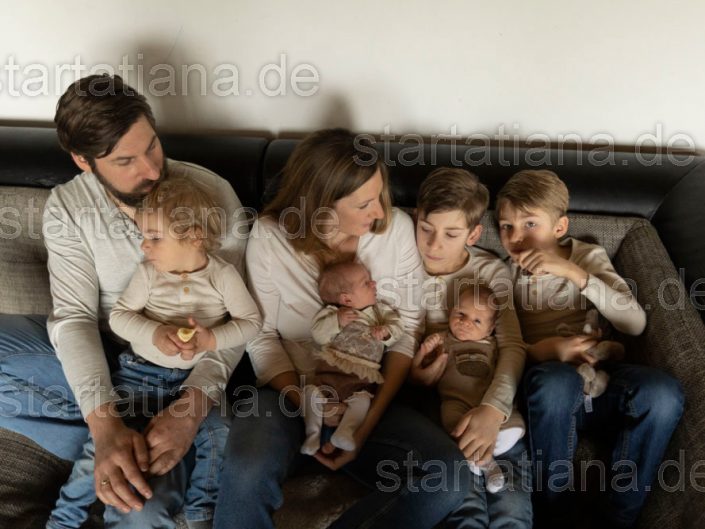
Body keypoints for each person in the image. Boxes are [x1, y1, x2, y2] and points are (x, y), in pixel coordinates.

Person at [0, 74, 248, 528]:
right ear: (83, 161)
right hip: (107, 353)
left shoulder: (211, 195)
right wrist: (104, 424)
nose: (151, 170)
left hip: (180, 374)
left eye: (152, 146)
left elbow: (237, 321)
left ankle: (120, 447)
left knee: (142, 511)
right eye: (126, 160)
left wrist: (190, 411)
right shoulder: (69, 207)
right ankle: (107, 438)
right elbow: (74, 318)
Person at [214, 129, 471, 529]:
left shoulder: (394, 232)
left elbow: (405, 332)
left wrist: (364, 424)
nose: (379, 212)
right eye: (364, 204)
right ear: (321, 205)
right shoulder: (270, 238)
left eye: (380, 196)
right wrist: (308, 404)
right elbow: (261, 338)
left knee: (449, 476)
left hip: (365, 394)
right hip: (289, 394)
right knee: (248, 468)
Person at [46, 176, 261, 529]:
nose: (144, 246)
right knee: (99, 448)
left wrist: (212, 340)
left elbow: (251, 322)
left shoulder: (222, 276)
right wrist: (155, 332)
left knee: (220, 430)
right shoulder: (148, 274)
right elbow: (120, 317)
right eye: (143, 236)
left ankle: (200, 512)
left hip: (193, 380)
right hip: (140, 373)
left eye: (155, 237)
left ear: (194, 236)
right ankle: (63, 518)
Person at [496, 169, 684, 528]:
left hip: (601, 381)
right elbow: (505, 345)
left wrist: (574, 274)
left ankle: (618, 518)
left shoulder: (586, 257)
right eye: (506, 226)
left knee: (662, 393)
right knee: (556, 382)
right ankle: (555, 514)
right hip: (548, 388)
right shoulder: (503, 274)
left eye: (530, 224)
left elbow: (634, 323)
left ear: (559, 227)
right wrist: (550, 350)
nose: (516, 237)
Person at [409, 167, 532, 529]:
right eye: (426, 229)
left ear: (473, 234)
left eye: (451, 234)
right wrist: (414, 379)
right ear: (415, 218)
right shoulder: (402, 267)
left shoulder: (489, 272)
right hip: (436, 406)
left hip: (493, 399)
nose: (434, 245)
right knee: (464, 508)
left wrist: (493, 410)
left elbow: (512, 346)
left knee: (511, 508)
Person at [420, 283, 525, 494]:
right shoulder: (444, 340)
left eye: (477, 321)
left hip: (488, 400)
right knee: (452, 422)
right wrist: (428, 349)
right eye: (460, 314)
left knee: (513, 426)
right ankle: (487, 465)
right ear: (451, 311)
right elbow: (425, 367)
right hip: (456, 401)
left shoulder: (493, 344)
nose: (465, 322)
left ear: (490, 329)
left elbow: (516, 353)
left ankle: (481, 454)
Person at [302, 260, 403, 455]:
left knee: (363, 400)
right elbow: (318, 334)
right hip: (331, 371)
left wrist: (387, 332)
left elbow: (398, 326)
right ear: (346, 299)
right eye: (366, 283)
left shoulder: (380, 311)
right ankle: (312, 434)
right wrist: (337, 321)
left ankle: (344, 432)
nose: (374, 284)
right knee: (311, 393)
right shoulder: (333, 313)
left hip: (361, 378)